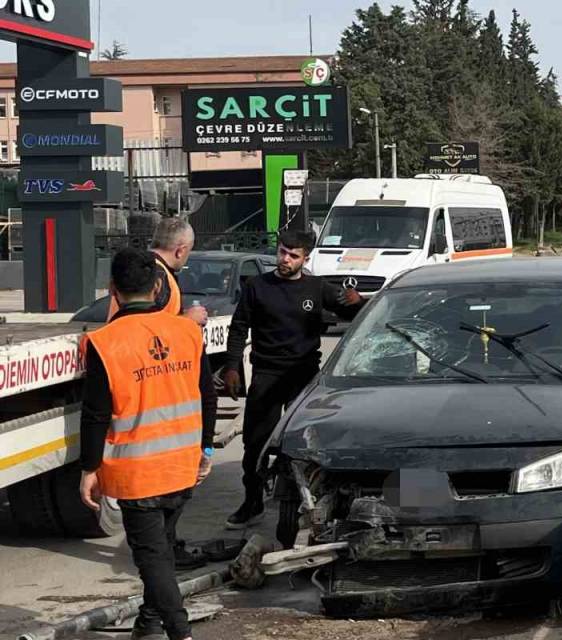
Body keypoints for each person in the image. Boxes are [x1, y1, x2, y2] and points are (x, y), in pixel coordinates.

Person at [79, 248, 218, 640]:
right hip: (183, 468)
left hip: (139, 476)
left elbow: (95, 415)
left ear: (112, 291)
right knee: (160, 554)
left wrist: (89, 469)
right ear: (158, 286)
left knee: (153, 559)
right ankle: (149, 622)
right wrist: (205, 449)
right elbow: (207, 396)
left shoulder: (105, 343)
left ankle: (180, 632)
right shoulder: (187, 332)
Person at [222, 229, 365, 534]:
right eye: (282, 252)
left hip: (304, 376)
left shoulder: (317, 288)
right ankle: (252, 502)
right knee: (255, 444)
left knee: (305, 443)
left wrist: (357, 301)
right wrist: (232, 366)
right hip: (266, 374)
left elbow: (360, 315)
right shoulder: (257, 287)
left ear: (306, 258)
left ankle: (307, 501)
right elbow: (238, 327)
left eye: (293, 255)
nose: (285, 259)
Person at [110, 217, 208, 327]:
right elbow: (145, 327)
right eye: (189, 251)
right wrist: (188, 319)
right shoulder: (157, 274)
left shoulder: (135, 266)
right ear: (181, 251)